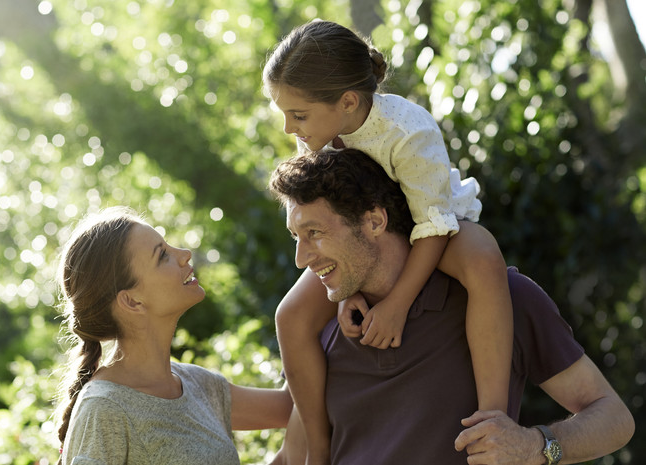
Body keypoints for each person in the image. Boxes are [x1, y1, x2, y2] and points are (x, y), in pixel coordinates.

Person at [268, 147, 635, 464]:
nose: (300, 258)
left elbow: (613, 418)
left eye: (314, 233)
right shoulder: (324, 331)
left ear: (375, 221)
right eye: (296, 237)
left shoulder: (503, 298)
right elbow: (294, 456)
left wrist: (534, 446)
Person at [262, 19, 514, 462]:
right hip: (372, 237)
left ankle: (492, 421)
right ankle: (318, 448)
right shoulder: (317, 137)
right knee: (291, 316)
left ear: (347, 101)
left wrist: (396, 306)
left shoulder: (408, 131)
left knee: (482, 256)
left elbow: (433, 227)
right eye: (283, 113)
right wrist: (347, 290)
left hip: (432, 223)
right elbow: (341, 232)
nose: (288, 129)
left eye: (297, 115)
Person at [54, 207, 293, 465]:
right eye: (162, 255)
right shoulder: (104, 409)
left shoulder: (198, 385)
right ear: (132, 301)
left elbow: (295, 407)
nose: (184, 255)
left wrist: (331, 273)